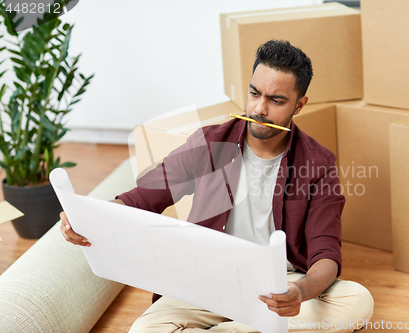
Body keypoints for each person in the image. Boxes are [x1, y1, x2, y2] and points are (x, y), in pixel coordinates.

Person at [60, 40, 374, 332]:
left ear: (299, 104)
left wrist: (298, 292)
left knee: (357, 302)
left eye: (276, 100)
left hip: (278, 286)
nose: (259, 110)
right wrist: (87, 218)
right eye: (254, 94)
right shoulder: (210, 142)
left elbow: (325, 254)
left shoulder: (319, 163)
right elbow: (145, 196)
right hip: (204, 279)